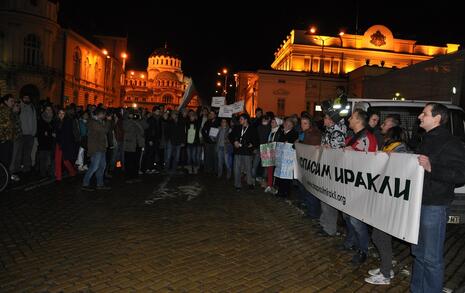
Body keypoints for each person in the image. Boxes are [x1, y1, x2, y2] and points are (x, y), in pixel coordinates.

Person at [411, 103, 465, 293]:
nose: (419, 116)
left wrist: (432, 168)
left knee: (431, 257)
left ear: (437, 118)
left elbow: (460, 175)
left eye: (424, 113)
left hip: (434, 205)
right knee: (418, 253)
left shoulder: (451, 142)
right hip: (418, 203)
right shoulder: (424, 139)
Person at [365, 126, 408, 285]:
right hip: (383, 197)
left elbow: (401, 170)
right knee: (379, 235)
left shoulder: (401, 150)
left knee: (381, 236)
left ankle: (385, 275)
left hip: (389, 200)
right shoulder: (389, 148)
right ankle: (386, 267)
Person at [344, 108, 377, 266]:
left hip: (361, 186)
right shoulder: (353, 137)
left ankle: (363, 250)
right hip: (350, 184)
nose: (349, 119)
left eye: (352, 117)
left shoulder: (368, 137)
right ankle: (351, 241)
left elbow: (370, 161)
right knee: (347, 216)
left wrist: (354, 153)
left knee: (356, 220)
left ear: (358, 120)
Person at [318, 110, 346, 237]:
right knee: (323, 198)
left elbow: (338, 153)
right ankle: (324, 224)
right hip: (325, 169)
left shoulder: (337, 133)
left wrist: (329, 149)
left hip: (332, 171)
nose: (323, 120)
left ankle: (330, 228)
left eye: (325, 118)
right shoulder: (328, 132)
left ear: (330, 120)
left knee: (329, 200)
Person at [82, 108, 111, 191]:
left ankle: (100, 184)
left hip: (101, 147)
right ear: (99, 114)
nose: (105, 116)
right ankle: (85, 183)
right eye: (104, 114)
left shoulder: (99, 121)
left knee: (102, 166)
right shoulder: (93, 122)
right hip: (95, 148)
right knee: (94, 167)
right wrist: (108, 121)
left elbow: (107, 130)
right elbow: (104, 130)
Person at [298, 115, 321, 219]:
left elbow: (312, 151)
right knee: (305, 188)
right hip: (305, 166)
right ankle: (310, 210)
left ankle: (313, 212)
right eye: (302, 123)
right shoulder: (304, 133)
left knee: (310, 190)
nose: (303, 126)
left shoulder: (313, 135)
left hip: (311, 167)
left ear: (310, 124)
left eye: (305, 123)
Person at [229, 113, 258, 191]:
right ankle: (237, 185)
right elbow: (230, 136)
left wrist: (252, 144)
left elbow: (256, 140)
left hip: (247, 152)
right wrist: (234, 142)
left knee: (248, 169)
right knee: (236, 169)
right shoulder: (237, 127)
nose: (239, 120)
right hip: (238, 151)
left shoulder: (252, 128)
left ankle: (250, 183)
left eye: (241, 119)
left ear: (246, 120)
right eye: (239, 119)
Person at [275, 117, 298, 198]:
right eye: (285, 123)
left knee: (287, 176)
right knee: (280, 175)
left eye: (288, 124)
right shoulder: (281, 132)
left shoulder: (294, 133)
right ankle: (280, 191)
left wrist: (288, 143)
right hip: (281, 158)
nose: (286, 125)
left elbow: (294, 144)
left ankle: (286, 192)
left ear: (291, 126)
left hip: (288, 159)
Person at [0, 94, 17, 183]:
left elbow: (13, 125)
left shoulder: (10, 111)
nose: (13, 103)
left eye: (13, 101)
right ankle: (3, 180)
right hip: (4, 141)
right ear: (6, 101)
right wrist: (3, 139)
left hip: (9, 139)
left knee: (8, 161)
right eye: (11, 101)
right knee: (4, 161)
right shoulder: (2, 110)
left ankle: (5, 179)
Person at [264, 117, 283, 194]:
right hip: (269, 151)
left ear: (277, 124)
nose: (271, 123)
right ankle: (269, 185)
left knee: (275, 170)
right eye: (271, 122)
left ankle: (274, 187)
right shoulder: (271, 131)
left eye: (273, 122)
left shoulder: (279, 132)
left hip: (276, 153)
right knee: (269, 169)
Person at [36, 105, 55, 178]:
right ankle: (42, 173)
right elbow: (42, 132)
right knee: (43, 158)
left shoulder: (53, 119)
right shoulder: (41, 119)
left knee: (49, 158)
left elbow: (52, 131)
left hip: (50, 142)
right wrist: (49, 133)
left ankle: (47, 171)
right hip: (43, 142)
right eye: (47, 109)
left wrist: (48, 133)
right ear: (44, 110)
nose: (49, 111)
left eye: (50, 109)